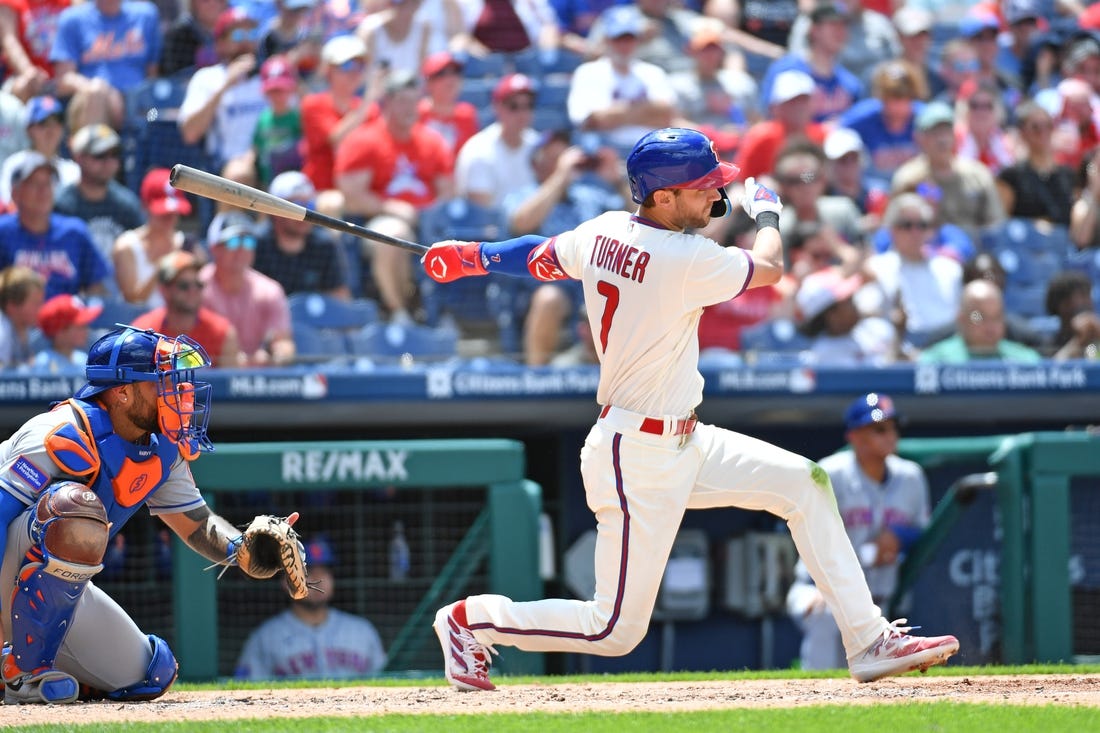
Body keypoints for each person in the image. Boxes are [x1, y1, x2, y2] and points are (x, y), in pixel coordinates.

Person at [420, 126, 959, 690]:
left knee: (806, 482)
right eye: (702, 187)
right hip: (636, 453)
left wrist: (471, 256)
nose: (714, 196)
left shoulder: (602, 230)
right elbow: (771, 269)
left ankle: (869, 639)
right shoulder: (681, 257)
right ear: (663, 196)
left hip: (685, 440)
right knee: (613, 631)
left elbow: (536, 255)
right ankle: (467, 621)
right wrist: (769, 216)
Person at [0, 325, 305, 704]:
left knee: (149, 674)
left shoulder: (162, 449)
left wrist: (240, 548)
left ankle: (18, 670)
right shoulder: (59, 432)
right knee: (74, 510)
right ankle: (22, 671)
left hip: (48, 591)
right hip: (6, 567)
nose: (179, 392)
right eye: (162, 381)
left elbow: (197, 523)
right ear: (123, 393)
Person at [786, 393, 931, 671]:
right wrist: (830, 584)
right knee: (828, 616)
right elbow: (803, 524)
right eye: (879, 429)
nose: (890, 435)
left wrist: (898, 536)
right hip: (817, 588)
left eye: (892, 427)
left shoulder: (911, 477)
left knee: (867, 676)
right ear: (855, 436)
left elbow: (922, 530)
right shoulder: (830, 474)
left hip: (878, 600)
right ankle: (814, 701)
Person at [334, 67, 454, 322]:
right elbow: (353, 197)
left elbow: (447, 192)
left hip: (427, 223)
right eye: (402, 101)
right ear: (387, 102)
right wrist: (392, 208)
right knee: (395, 235)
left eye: (414, 101)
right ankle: (400, 313)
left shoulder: (432, 141)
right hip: (374, 222)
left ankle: (443, 313)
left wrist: (427, 214)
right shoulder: (364, 140)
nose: (409, 108)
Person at [234, 536, 388, 680]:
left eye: (325, 570)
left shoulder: (362, 632)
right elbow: (246, 692)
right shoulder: (265, 638)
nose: (318, 577)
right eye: (307, 571)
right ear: (285, 582)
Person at [0, 152, 111, 300]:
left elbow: (97, 288)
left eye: (48, 183)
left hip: (65, 319)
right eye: (35, 184)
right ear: (15, 193)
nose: (43, 191)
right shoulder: (4, 233)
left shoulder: (74, 232)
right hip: (15, 321)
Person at [201, 211, 295, 366]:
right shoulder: (195, 288)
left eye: (248, 242)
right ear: (214, 248)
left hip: (260, 384)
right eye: (233, 242)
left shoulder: (270, 290)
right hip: (210, 381)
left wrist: (276, 355)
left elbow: (284, 342)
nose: (242, 249)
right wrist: (231, 359)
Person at [50, 0, 162, 130]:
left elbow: (153, 76)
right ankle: (97, 147)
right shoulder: (73, 19)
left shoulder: (146, 15)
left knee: (158, 111)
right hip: (90, 104)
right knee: (96, 94)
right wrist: (103, 92)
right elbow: (64, 80)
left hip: (138, 106)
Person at [54, 123, 146, 281]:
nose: (109, 162)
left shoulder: (126, 204)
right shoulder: (62, 204)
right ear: (79, 157)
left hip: (120, 289)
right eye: (100, 155)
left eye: (114, 154)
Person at [132, 250, 245, 367]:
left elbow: (228, 383)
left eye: (198, 284)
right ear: (164, 290)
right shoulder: (143, 333)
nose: (193, 291)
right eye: (184, 285)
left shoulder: (222, 333)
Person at [253, 171, 352, 299]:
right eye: (297, 206)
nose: (305, 216)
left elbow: (339, 296)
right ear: (274, 211)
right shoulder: (255, 244)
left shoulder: (324, 245)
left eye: (309, 206)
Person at [113, 167, 198, 309]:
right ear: (145, 206)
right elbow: (133, 300)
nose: (170, 219)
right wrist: (162, 266)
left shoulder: (188, 245)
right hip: (138, 328)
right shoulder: (127, 246)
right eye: (164, 214)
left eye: (174, 213)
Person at [455, 73, 540, 209]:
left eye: (528, 105)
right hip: (492, 228)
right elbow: (482, 213)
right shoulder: (479, 150)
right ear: (497, 107)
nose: (522, 113)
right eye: (514, 106)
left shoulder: (537, 144)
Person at [918, 279, 1043, 363]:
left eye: (996, 317)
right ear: (961, 318)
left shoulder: (1026, 361)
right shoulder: (935, 362)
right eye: (979, 317)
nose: (990, 326)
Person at [0, 95, 80, 210]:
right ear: (29, 129)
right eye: (43, 123)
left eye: (57, 122)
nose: (50, 130)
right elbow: (9, 205)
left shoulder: (73, 170)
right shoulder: (15, 165)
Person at [26, 293, 102, 375]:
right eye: (81, 326)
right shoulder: (42, 364)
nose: (86, 330)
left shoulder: (83, 359)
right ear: (60, 332)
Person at [0, 264, 45, 370]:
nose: (41, 309)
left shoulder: (25, 328)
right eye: (35, 303)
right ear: (12, 306)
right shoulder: (2, 333)